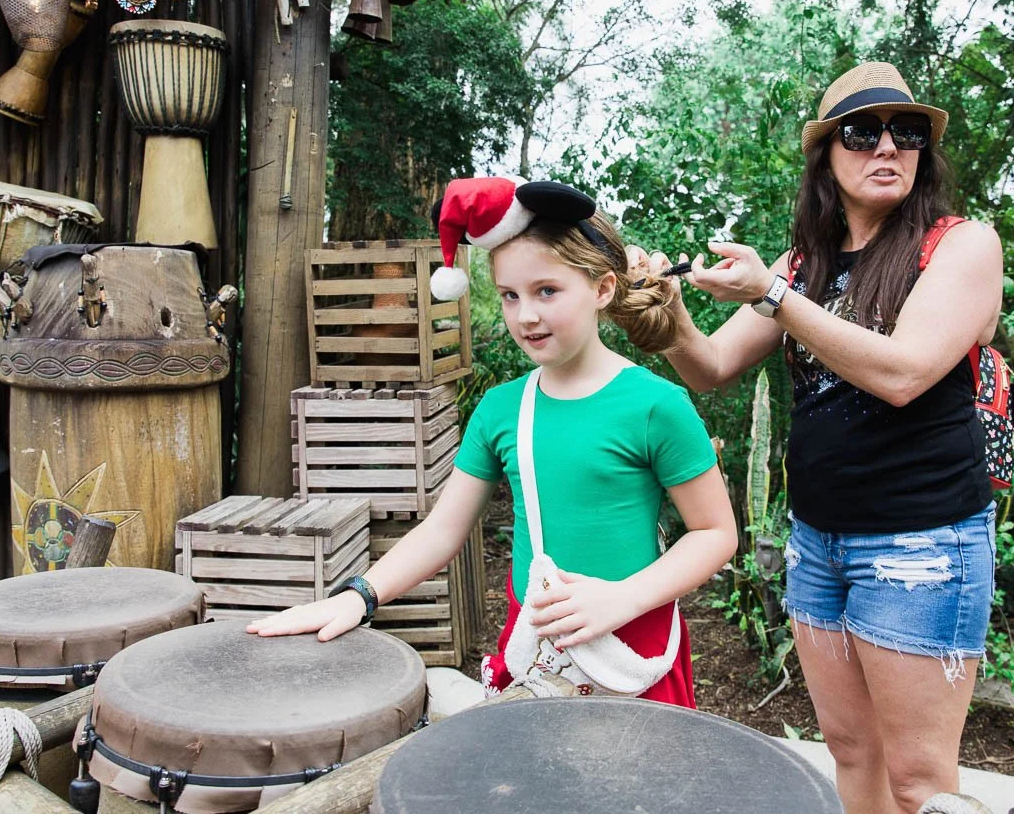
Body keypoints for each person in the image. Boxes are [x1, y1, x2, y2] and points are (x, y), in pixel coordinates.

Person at [643, 61, 1003, 811]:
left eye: (906, 132)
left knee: (919, 783)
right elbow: (709, 366)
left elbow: (904, 373)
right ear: (827, 157)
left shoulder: (962, 245)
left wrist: (775, 296)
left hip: (922, 547)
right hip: (818, 543)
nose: (887, 146)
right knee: (850, 751)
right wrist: (660, 314)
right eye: (862, 131)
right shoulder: (804, 263)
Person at [250, 177, 737, 708]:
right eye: (510, 295)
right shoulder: (500, 409)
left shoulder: (655, 405)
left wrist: (622, 599)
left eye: (546, 291)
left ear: (602, 289)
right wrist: (357, 597)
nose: (525, 315)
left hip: (634, 655)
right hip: (535, 654)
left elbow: (714, 532)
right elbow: (443, 530)